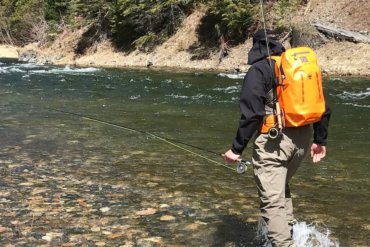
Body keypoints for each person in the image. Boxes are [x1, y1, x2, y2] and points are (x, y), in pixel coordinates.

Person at [223, 29, 331, 247]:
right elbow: (323, 107)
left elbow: (252, 114)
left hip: (275, 142)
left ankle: (284, 244)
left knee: (271, 202)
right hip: (303, 139)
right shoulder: (295, 69)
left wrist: (236, 149)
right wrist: (320, 140)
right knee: (280, 188)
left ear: (255, 47)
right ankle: (290, 232)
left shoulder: (259, 69)